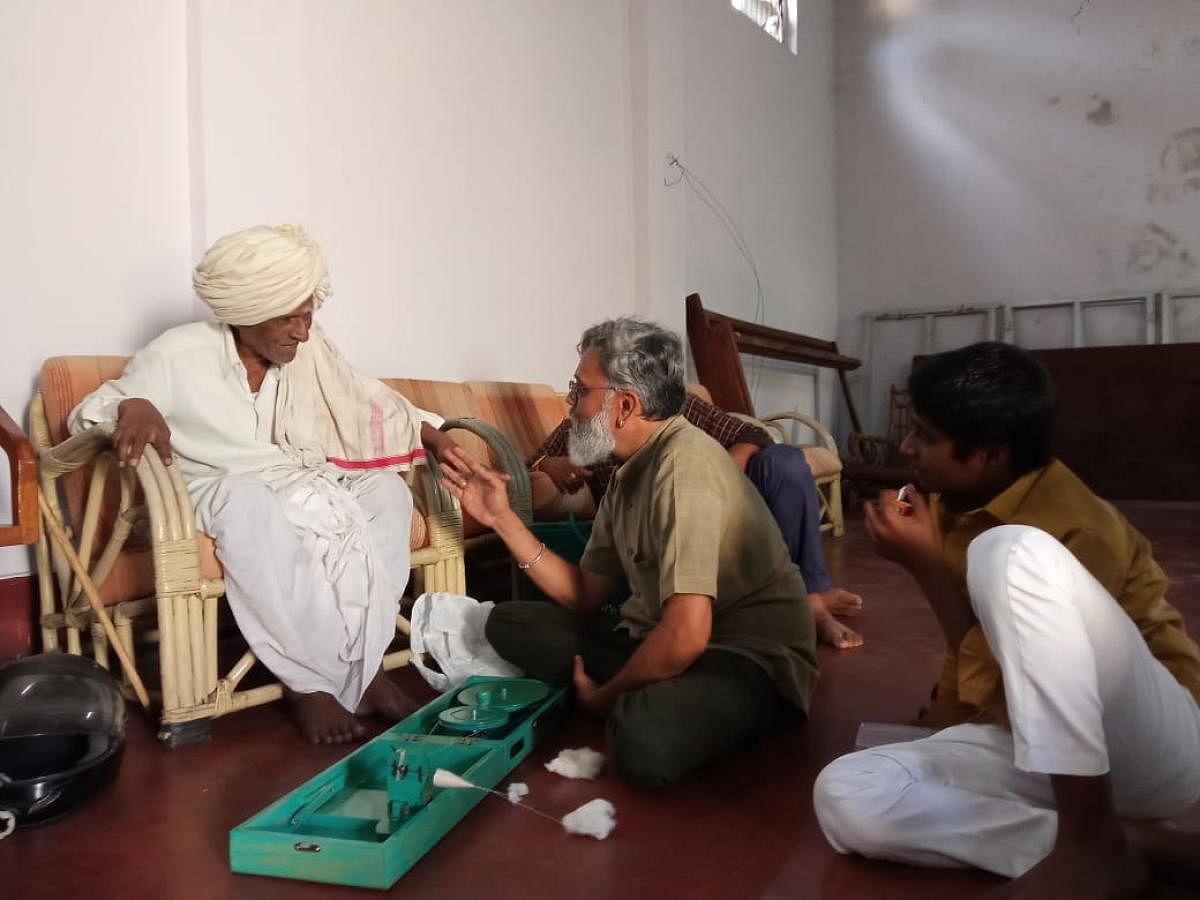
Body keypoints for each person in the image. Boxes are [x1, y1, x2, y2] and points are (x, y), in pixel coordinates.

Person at [811, 342, 1200, 897]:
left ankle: (1088, 854)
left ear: (988, 454)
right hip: (1039, 744)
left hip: (1146, 749)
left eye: (925, 435)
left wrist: (925, 566)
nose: (907, 446)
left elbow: (1010, 683)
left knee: (1010, 550)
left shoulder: (1074, 527)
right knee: (848, 792)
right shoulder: (956, 499)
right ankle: (1135, 845)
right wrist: (945, 729)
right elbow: (1002, 691)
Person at [69, 224, 460, 744]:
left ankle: (365, 670)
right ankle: (308, 684)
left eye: (308, 315)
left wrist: (432, 434)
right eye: (288, 318)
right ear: (246, 312)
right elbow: (88, 414)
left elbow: (369, 400)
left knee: (385, 491)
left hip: (296, 474)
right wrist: (132, 404)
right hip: (218, 485)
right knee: (249, 503)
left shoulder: (309, 355)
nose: (302, 332)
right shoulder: (178, 353)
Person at [439, 317, 818, 789]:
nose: (570, 404)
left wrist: (605, 697)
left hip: (742, 656)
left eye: (580, 390)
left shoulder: (685, 466)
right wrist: (502, 520)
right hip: (662, 636)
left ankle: (644, 696)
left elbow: (687, 633)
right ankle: (651, 684)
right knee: (509, 622)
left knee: (645, 742)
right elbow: (584, 594)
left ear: (624, 405)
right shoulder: (625, 472)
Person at [528, 394, 864, 649]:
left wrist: (722, 476)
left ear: (628, 397)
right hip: (653, 532)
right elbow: (528, 464)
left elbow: (750, 433)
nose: (572, 398)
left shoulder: (677, 408)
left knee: (785, 462)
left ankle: (811, 603)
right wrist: (546, 463)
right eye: (576, 388)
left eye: (582, 388)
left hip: (722, 513)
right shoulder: (586, 427)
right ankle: (744, 620)